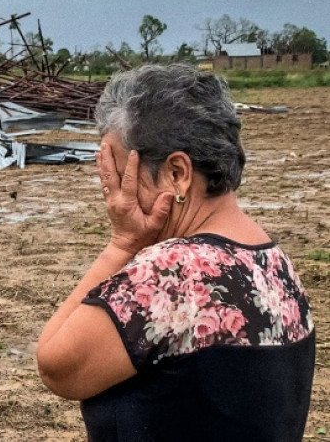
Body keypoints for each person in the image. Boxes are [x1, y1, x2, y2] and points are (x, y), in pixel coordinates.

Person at [36, 64, 314, 441]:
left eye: (120, 176)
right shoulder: (275, 262)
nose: (117, 195)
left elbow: (56, 366)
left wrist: (122, 244)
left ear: (177, 173)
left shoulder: (172, 273)